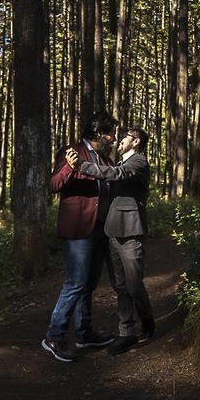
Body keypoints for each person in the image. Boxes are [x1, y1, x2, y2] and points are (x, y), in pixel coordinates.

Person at [68, 127, 155, 355]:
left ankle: (147, 319)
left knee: (134, 285)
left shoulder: (138, 162)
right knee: (120, 286)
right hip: (111, 231)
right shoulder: (117, 163)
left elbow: (116, 176)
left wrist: (81, 166)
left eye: (124, 138)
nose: (119, 141)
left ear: (135, 142)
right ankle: (126, 333)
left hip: (130, 231)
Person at [41, 111, 119, 362]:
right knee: (75, 283)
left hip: (100, 229)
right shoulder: (72, 151)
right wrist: (68, 169)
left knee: (89, 284)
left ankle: (84, 334)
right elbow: (53, 185)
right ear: (98, 133)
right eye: (110, 133)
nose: (113, 138)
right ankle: (54, 336)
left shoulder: (104, 158)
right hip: (78, 229)